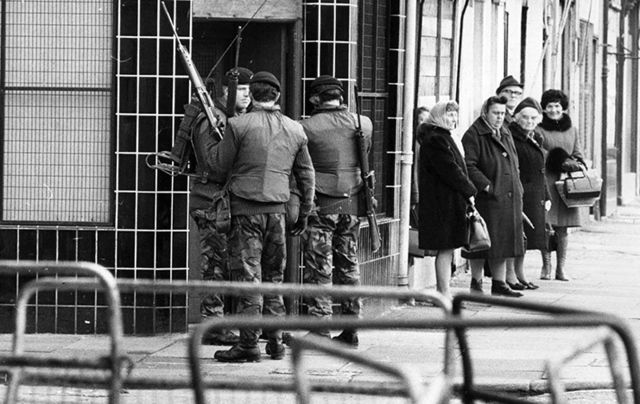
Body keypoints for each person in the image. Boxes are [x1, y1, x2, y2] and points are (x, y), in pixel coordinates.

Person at [204, 71, 316, 362]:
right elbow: (306, 174)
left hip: (245, 213)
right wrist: (304, 212)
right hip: (278, 214)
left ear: (252, 95)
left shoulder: (238, 125)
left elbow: (218, 164)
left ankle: (248, 344)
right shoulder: (295, 129)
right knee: (274, 279)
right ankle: (276, 343)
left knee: (249, 279)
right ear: (277, 97)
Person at [298, 75, 373, 347]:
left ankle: (320, 327)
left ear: (314, 99)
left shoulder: (306, 127)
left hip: (321, 203)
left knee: (320, 267)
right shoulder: (362, 123)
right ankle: (351, 325)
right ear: (340, 97)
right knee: (349, 264)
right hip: (352, 203)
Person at [189, 67, 253, 346]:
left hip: (226, 201)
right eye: (241, 90)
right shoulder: (212, 120)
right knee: (214, 264)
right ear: (225, 93)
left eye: (250, 91)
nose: (247, 96)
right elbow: (213, 162)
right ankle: (213, 324)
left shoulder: (235, 120)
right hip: (210, 199)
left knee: (228, 262)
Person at [462, 96, 525, 297]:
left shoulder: (505, 132)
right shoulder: (474, 134)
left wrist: (518, 187)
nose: (500, 117)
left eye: (502, 113)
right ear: (485, 113)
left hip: (509, 196)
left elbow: (514, 163)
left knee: (503, 242)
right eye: (496, 113)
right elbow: (468, 165)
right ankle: (476, 283)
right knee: (481, 241)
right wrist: (487, 186)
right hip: (487, 198)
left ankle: (499, 283)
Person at [416, 100, 476, 300]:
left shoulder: (442, 137)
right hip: (442, 202)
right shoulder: (436, 139)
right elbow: (450, 169)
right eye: (449, 115)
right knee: (445, 247)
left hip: (447, 200)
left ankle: (444, 289)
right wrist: (469, 190)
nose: (454, 119)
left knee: (448, 247)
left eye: (455, 115)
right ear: (439, 117)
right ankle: (443, 292)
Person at [537, 89, 586, 281]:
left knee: (563, 228)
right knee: (547, 225)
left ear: (563, 107)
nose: (553, 110)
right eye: (549, 106)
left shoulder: (572, 129)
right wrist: (557, 159)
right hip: (547, 180)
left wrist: (574, 163)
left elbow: (578, 153)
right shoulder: (539, 129)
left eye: (557, 106)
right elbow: (538, 152)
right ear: (544, 108)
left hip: (566, 184)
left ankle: (561, 268)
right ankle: (546, 266)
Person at [508, 97, 550, 290]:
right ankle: (512, 275)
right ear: (517, 118)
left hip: (535, 194)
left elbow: (542, 170)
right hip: (520, 192)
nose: (529, 121)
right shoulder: (512, 137)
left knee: (526, 237)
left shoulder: (536, 137)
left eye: (534, 118)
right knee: (515, 235)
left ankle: (520, 273)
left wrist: (547, 194)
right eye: (525, 117)